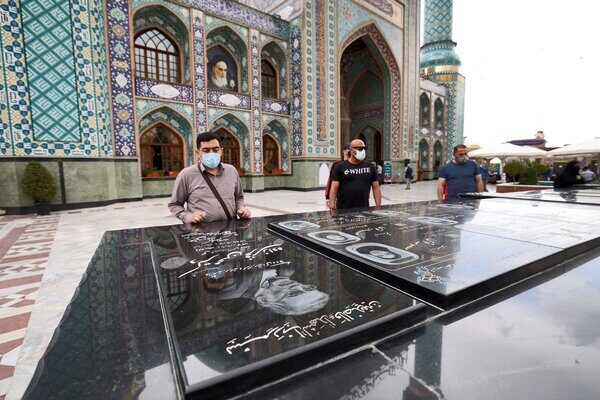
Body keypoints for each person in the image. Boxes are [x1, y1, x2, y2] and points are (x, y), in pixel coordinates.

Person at [168, 131, 251, 223]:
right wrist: (188, 217)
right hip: (201, 232)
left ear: (221, 151)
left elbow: (239, 198)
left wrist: (242, 209)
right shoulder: (186, 174)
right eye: (206, 150)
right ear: (197, 152)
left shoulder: (231, 171)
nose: (211, 153)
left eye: (215, 150)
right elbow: (174, 205)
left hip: (230, 230)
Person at [328, 139, 382, 210]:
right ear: (351, 149)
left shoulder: (370, 167)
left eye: (364, 149)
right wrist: (332, 204)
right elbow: (334, 187)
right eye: (359, 149)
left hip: (363, 207)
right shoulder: (340, 166)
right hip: (343, 208)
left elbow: (376, 188)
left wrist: (378, 206)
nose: (362, 151)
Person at [325, 143, 350, 208]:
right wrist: (328, 197)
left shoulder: (356, 164)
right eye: (348, 149)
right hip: (340, 196)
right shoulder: (337, 164)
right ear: (344, 151)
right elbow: (330, 180)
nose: (349, 151)